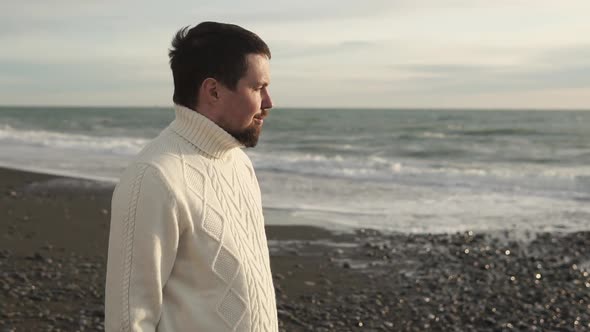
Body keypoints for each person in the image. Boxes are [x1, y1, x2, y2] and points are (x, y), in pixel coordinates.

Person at [104, 21, 278, 331]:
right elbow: (128, 318)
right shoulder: (155, 177)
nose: (269, 102)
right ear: (213, 90)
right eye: (258, 87)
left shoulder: (238, 162)